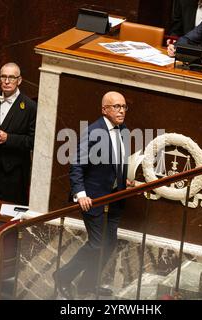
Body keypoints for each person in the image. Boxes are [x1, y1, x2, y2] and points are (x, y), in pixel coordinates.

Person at [53, 91, 135, 299]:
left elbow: (114, 161)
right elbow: (77, 165)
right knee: (97, 244)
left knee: (109, 244)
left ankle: (88, 284)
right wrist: (80, 194)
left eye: (123, 106)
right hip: (94, 200)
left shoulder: (123, 130)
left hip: (115, 198)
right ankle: (62, 276)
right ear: (104, 109)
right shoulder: (93, 131)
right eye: (116, 106)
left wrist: (121, 179)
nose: (121, 110)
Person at [0, 62, 37, 206]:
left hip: (14, 174)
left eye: (11, 77)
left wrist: (8, 138)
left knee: (7, 219)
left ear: (19, 80)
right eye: (3, 77)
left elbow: (33, 141)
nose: (6, 81)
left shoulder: (30, 107)